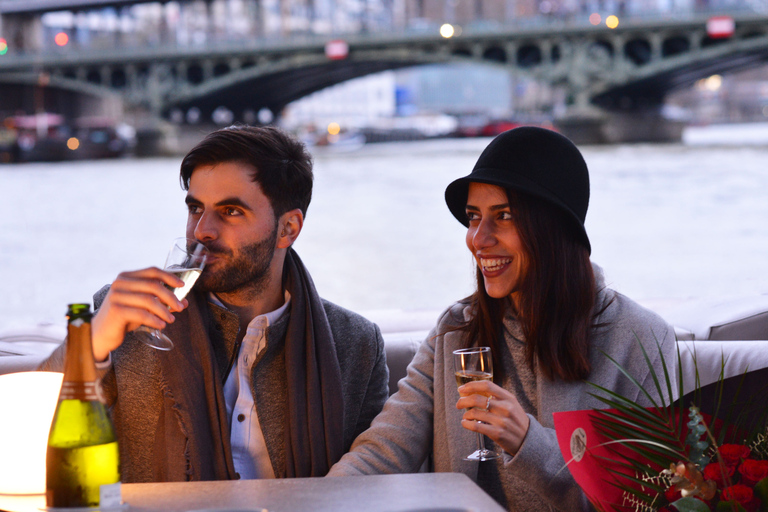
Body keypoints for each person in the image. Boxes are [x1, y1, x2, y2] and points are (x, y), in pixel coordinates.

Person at [327, 126, 676, 511]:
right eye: (474, 217)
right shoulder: (455, 330)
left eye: (504, 216)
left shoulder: (638, 338)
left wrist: (528, 441)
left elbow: (646, 499)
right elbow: (385, 449)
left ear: (554, 227)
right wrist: (312, 503)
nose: (478, 238)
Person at [41, 125, 389, 482]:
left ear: (288, 228)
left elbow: (369, 484)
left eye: (231, 211)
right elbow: (33, 426)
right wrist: (93, 339)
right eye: (195, 208)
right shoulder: (126, 315)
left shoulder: (356, 345)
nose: (202, 230)